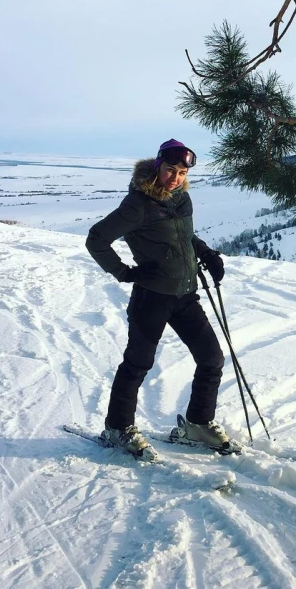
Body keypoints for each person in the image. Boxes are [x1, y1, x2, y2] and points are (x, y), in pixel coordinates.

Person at [85, 139, 229, 460]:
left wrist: (206, 253)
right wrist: (123, 272)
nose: (174, 177)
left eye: (181, 172)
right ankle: (118, 428)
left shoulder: (181, 198)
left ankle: (198, 424)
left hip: (184, 295)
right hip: (152, 298)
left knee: (212, 358)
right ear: (157, 167)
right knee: (138, 364)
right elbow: (97, 238)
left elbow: (184, 234)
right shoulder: (138, 204)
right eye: (169, 170)